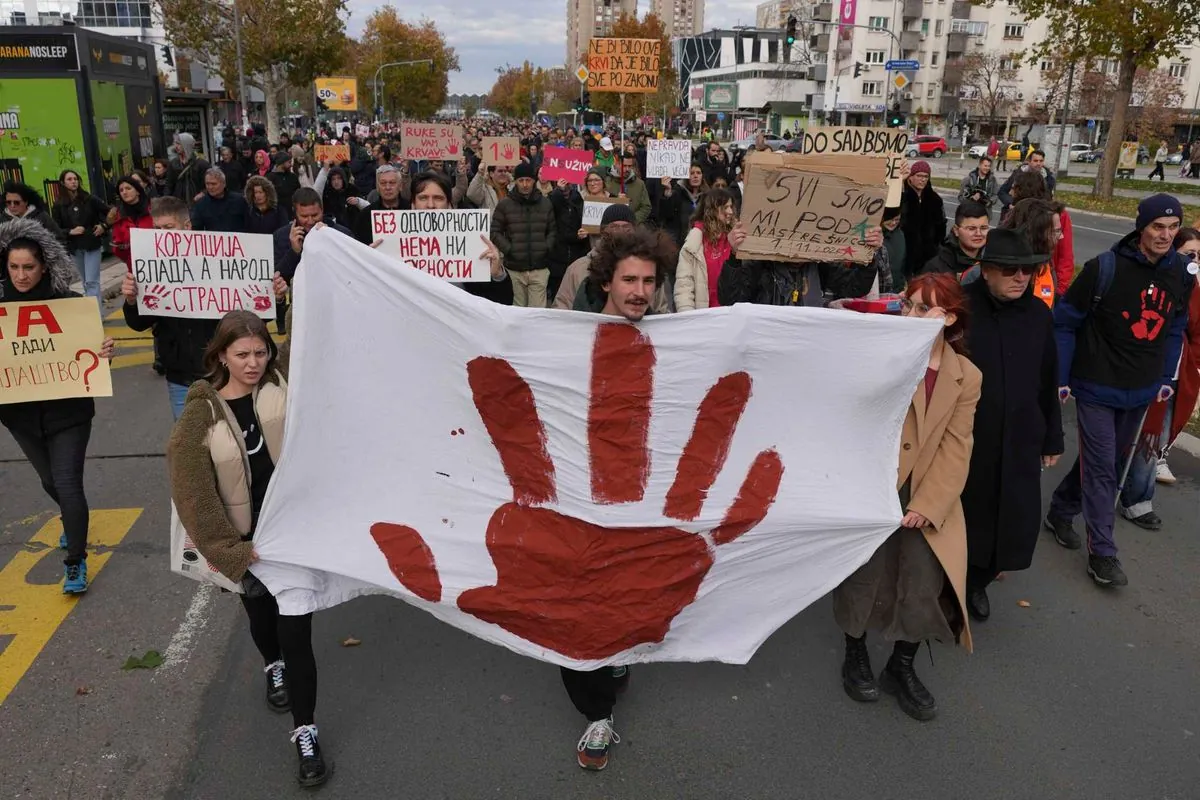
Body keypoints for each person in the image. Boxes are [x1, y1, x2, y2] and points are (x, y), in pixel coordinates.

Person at [167, 310, 328, 787]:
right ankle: (270, 665)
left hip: (292, 539)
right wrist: (231, 551)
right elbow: (192, 492)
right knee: (262, 620)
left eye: (260, 352)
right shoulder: (201, 413)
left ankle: (306, 733)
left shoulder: (285, 384)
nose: (253, 362)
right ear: (221, 355)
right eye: (242, 354)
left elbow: (319, 340)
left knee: (297, 635)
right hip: (246, 545)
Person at [833, 272, 980, 722]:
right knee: (864, 578)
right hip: (876, 488)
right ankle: (854, 653)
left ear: (948, 317)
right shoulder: (886, 354)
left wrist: (928, 504)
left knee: (921, 585)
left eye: (924, 308)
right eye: (909, 304)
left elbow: (958, 446)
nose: (912, 314)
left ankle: (902, 665)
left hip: (928, 497)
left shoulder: (966, 376)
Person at [566, 227, 677, 769]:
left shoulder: (677, 340)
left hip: (640, 500)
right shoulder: (567, 335)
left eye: (649, 281)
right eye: (629, 279)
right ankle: (597, 714)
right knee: (575, 608)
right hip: (576, 498)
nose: (639, 291)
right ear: (606, 280)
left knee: (627, 594)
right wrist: (494, 276)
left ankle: (617, 653)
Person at [1045, 194, 1191, 587]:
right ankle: (1103, 553)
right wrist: (1061, 376)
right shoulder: (1103, 268)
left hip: (1141, 388)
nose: (1165, 235)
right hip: (1095, 384)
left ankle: (1061, 509)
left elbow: (1175, 324)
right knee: (1104, 468)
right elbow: (1064, 321)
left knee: (1101, 461)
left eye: (1173, 227)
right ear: (1140, 227)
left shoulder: (1180, 272)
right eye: (1157, 227)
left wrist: (1165, 376)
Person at [0, 218, 114, 593]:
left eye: (28, 267)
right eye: (14, 267)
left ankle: (75, 561)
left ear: (44, 266)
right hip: (20, 415)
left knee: (66, 483)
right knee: (50, 481)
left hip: (69, 412)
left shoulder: (69, 306)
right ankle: (72, 517)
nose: (21, 275)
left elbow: (89, 352)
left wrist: (103, 352)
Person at [960, 229, 1062, 622]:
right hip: (971, 438)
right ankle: (956, 581)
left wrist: (1052, 435)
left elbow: (1047, 376)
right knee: (970, 516)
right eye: (1010, 270)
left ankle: (978, 582)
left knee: (1013, 522)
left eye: (1027, 271)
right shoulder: (963, 309)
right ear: (986, 271)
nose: (1021, 277)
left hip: (1021, 436)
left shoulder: (1038, 314)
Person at [1117, 227, 1200, 526]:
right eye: (1189, 254)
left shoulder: (1194, 288)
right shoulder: (1156, 281)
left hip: (1174, 376)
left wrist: (1194, 366)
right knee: (1126, 434)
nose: (1195, 261)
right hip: (1141, 371)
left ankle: (1138, 498)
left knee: (1154, 439)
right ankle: (1112, 488)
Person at [122, 197, 221, 419]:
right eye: (157, 228)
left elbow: (243, 315)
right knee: (188, 445)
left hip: (220, 371)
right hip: (180, 375)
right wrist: (131, 300)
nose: (162, 234)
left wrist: (275, 297)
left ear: (187, 226)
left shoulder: (215, 260)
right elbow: (139, 324)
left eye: (168, 227)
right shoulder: (149, 264)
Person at [408, 171, 511, 305]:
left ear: (450, 206)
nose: (431, 205)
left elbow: (502, 303)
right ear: (413, 205)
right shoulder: (392, 245)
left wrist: (497, 275)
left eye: (438, 198)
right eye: (423, 198)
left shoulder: (473, 245)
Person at [491, 161, 556, 307]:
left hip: (539, 268)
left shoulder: (545, 203)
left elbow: (552, 230)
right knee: (517, 313)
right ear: (516, 181)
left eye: (528, 180)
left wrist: (545, 248)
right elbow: (495, 232)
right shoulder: (505, 204)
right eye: (521, 180)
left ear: (534, 181)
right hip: (514, 269)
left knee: (537, 315)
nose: (525, 184)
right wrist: (510, 249)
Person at [675, 188, 745, 311]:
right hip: (704, 316)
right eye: (724, 207)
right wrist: (687, 318)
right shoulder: (694, 241)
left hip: (731, 313)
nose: (730, 212)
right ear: (711, 209)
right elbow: (684, 285)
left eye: (731, 207)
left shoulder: (736, 238)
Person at [51, 169, 110, 306]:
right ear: (63, 183)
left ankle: (97, 316)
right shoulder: (59, 205)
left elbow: (110, 212)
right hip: (74, 248)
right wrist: (71, 231)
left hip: (92, 244)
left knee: (91, 281)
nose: (73, 182)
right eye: (69, 179)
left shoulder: (89, 199)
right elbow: (55, 229)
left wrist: (104, 226)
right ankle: (92, 311)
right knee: (85, 281)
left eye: (75, 179)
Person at [997, 198, 1064, 307]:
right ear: (1037, 233)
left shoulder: (1045, 266)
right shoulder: (994, 269)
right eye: (1056, 231)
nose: (1061, 236)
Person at [900, 161, 946, 281]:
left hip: (928, 255)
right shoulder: (902, 195)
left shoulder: (934, 199)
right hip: (905, 253)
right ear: (911, 177)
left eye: (926, 176)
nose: (923, 179)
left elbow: (941, 224)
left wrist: (937, 245)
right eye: (919, 176)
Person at [922, 200, 988, 276]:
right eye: (971, 228)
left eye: (983, 228)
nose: (978, 234)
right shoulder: (936, 269)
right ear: (956, 230)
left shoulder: (994, 264)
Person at [352, 164, 408, 245]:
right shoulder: (365, 216)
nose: (387, 187)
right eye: (383, 183)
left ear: (400, 186)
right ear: (377, 187)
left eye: (392, 183)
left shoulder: (412, 210)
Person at [109, 175, 154, 271]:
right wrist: (122, 248)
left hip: (159, 261)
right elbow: (117, 245)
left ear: (137, 191)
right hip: (136, 267)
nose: (124, 192)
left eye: (128, 188)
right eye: (121, 190)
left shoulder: (154, 208)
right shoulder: (118, 215)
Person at [658, 164, 708, 247]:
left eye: (698, 173)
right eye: (692, 173)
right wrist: (667, 193)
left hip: (700, 244)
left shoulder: (707, 196)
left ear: (702, 176)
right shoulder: (677, 193)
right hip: (679, 244)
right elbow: (665, 215)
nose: (695, 176)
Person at [997, 150, 1057, 216]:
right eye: (1035, 161)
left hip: (1037, 215)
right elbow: (1002, 192)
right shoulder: (1018, 174)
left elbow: (1049, 198)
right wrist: (1010, 204)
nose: (1038, 163)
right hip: (1016, 214)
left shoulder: (1048, 178)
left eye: (1041, 161)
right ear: (1029, 162)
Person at [190, 168, 249, 233]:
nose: (210, 187)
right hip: (214, 241)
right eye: (207, 184)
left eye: (213, 184)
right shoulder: (201, 204)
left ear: (224, 184)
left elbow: (249, 224)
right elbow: (196, 230)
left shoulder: (239, 200)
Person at [606, 152, 651, 225]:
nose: (627, 169)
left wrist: (633, 220)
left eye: (630, 166)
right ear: (617, 164)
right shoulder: (607, 181)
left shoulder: (640, 184)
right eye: (624, 166)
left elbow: (646, 207)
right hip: (611, 226)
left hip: (633, 228)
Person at [168, 132, 210, 206]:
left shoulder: (202, 164)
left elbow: (211, 183)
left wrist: (203, 193)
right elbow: (169, 184)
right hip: (179, 204)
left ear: (187, 144)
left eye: (179, 143)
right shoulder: (173, 163)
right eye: (175, 143)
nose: (176, 146)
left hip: (197, 203)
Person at [881, 205, 906, 291]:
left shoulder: (900, 235)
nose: (893, 223)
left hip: (897, 288)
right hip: (879, 289)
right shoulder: (874, 237)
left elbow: (902, 263)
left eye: (897, 220)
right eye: (890, 219)